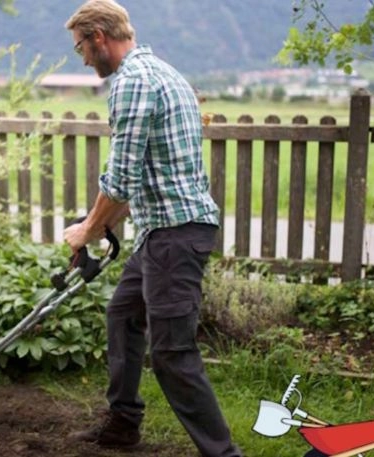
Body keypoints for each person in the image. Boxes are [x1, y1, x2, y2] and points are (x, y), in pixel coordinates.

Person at [62, 1, 243, 456]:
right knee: (123, 315)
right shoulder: (163, 72)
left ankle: (223, 454)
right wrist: (103, 223)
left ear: (99, 36)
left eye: (81, 47)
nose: (83, 59)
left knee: (172, 354)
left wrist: (87, 229)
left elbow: (121, 178)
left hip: (174, 237)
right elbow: (146, 176)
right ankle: (122, 423)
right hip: (161, 233)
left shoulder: (132, 82)